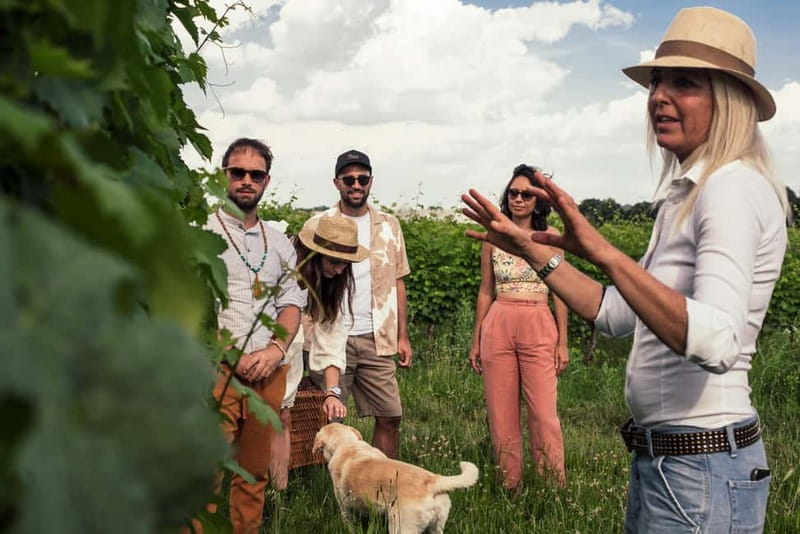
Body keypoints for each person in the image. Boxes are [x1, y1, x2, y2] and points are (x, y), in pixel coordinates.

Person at [461, 7, 788, 533]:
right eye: (657, 81)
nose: (659, 96)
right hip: (671, 463)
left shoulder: (730, 188)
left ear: (731, 101)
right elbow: (614, 313)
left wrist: (606, 252)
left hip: (698, 467)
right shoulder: (691, 193)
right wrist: (530, 251)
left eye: (684, 83)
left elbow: (719, 341)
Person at [204, 138, 306, 534]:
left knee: (253, 475)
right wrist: (231, 354)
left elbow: (292, 303)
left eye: (256, 174)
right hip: (216, 371)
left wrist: (276, 349)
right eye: (238, 172)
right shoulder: (200, 232)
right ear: (223, 175)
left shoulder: (279, 243)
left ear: (267, 181)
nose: (247, 180)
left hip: (268, 371)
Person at [468, 164, 569, 490]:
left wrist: (563, 341)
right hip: (499, 319)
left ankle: (552, 485)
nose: (519, 199)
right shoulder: (494, 234)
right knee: (501, 411)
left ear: (538, 200)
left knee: (543, 413)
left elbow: (562, 289)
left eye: (526, 194)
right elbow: (485, 290)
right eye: (513, 193)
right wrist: (477, 338)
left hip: (538, 320)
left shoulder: (549, 236)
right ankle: (510, 485)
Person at [310, 149, 412, 459]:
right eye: (349, 179)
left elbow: (398, 280)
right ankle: (337, 486)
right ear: (336, 182)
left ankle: (386, 480)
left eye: (362, 178)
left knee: (390, 415)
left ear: (371, 181)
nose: (356, 185)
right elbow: (306, 279)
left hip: (375, 336)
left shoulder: (389, 225)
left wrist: (402, 335)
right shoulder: (320, 224)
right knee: (330, 418)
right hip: (330, 335)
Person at [295, 215, 370, 422]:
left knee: (331, 413)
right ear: (314, 255)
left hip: (311, 345)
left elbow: (332, 338)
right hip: (278, 349)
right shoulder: (288, 275)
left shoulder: (334, 284)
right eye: (335, 262)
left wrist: (332, 393)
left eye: (345, 264)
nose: (339, 270)